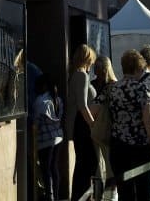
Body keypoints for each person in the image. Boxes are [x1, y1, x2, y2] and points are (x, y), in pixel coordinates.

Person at [98, 49, 150, 201]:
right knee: (144, 193)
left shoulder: (111, 88)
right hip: (141, 147)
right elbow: (149, 120)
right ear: (139, 67)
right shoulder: (141, 89)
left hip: (118, 147)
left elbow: (93, 108)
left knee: (125, 194)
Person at [67, 44, 98, 201]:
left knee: (84, 163)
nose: (92, 62)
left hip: (81, 124)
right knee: (85, 164)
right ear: (87, 58)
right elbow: (82, 105)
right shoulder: (81, 75)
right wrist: (93, 125)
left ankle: (84, 196)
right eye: (91, 59)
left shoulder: (77, 74)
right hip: (83, 125)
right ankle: (82, 197)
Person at [91, 56, 118, 201]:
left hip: (102, 130)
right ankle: (103, 196)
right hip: (102, 130)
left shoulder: (108, 86)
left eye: (99, 69)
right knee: (102, 167)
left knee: (107, 166)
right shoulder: (113, 86)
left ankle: (108, 196)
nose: (97, 72)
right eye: (96, 68)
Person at [33, 73, 64, 201]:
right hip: (58, 137)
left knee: (46, 169)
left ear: (43, 86)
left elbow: (36, 123)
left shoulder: (40, 101)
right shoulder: (57, 99)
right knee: (54, 167)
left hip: (45, 140)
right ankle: (55, 196)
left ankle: (49, 196)